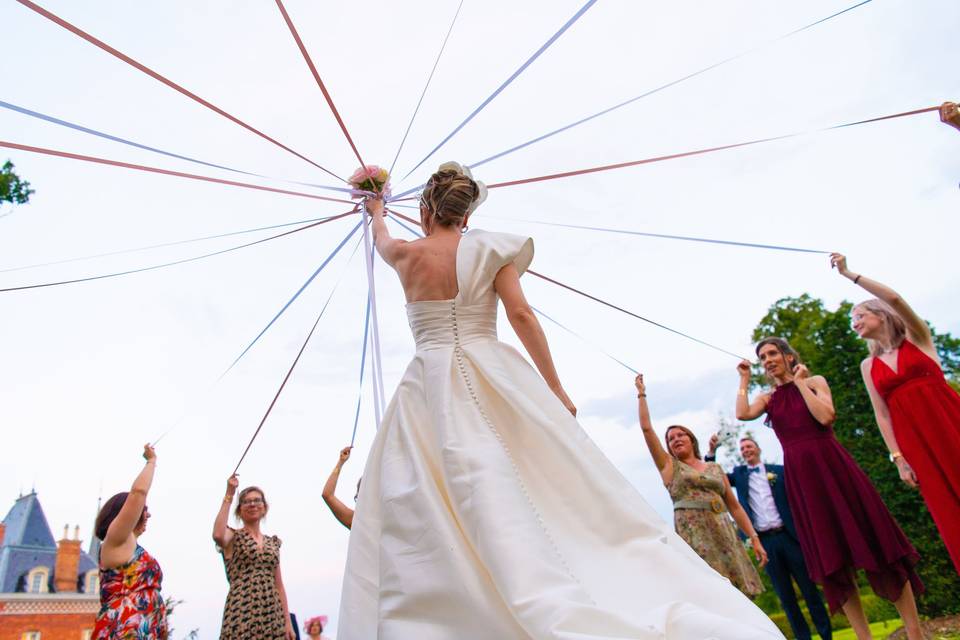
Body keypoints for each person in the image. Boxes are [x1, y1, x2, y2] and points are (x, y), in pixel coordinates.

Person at [337, 162, 784, 639]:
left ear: (425, 209)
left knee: (437, 491)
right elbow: (522, 315)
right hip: (494, 373)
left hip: (426, 387)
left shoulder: (404, 255)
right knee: (535, 482)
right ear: (465, 215)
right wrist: (554, 388)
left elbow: (381, 237)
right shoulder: (491, 249)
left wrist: (377, 208)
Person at [737, 337, 924, 640]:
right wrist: (744, 380)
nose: (767, 360)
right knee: (833, 562)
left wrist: (799, 384)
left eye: (773, 353)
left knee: (879, 546)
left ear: (788, 356)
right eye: (762, 357)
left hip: (835, 469)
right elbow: (743, 414)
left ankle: (915, 634)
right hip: (804, 481)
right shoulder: (769, 398)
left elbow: (825, 416)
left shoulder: (815, 382)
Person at [831, 253, 960, 574]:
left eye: (859, 315)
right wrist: (899, 458)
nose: (855, 322)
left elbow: (895, 298)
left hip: (950, 424)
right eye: (852, 320)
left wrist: (848, 274)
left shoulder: (918, 338)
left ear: (880, 315)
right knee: (947, 509)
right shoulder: (868, 366)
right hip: (917, 443)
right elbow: (882, 415)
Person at [636, 375, 767, 597]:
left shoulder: (714, 468)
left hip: (724, 530)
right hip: (695, 535)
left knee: (741, 592)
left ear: (692, 439)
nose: (676, 439)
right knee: (712, 591)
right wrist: (641, 393)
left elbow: (734, 507)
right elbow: (647, 430)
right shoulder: (669, 466)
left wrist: (754, 538)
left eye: (681, 435)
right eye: (671, 438)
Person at [705, 435, 831, 640]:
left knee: (810, 591)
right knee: (786, 597)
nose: (746, 450)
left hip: (790, 538)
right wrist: (711, 452)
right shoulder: (739, 475)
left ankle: (826, 636)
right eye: (743, 448)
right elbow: (713, 476)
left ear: (758, 449)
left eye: (749, 446)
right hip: (766, 543)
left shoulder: (779, 471)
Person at [92, 444, 168, 639]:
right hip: (123, 627)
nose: (148, 514)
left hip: (146, 627)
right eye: (144, 509)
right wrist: (152, 461)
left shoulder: (132, 546)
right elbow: (138, 493)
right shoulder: (117, 540)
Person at [213, 477, 295, 640]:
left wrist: (288, 621)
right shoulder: (233, 536)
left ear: (264, 508)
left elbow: (279, 584)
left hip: (272, 612)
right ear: (239, 510)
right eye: (246, 502)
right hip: (242, 608)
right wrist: (229, 494)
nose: (252, 504)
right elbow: (218, 535)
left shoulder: (272, 543)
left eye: (257, 500)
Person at [322, 446, 355, 530]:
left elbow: (328, 495)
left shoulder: (362, 521)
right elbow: (327, 495)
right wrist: (341, 462)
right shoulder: (361, 520)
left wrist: (340, 462)